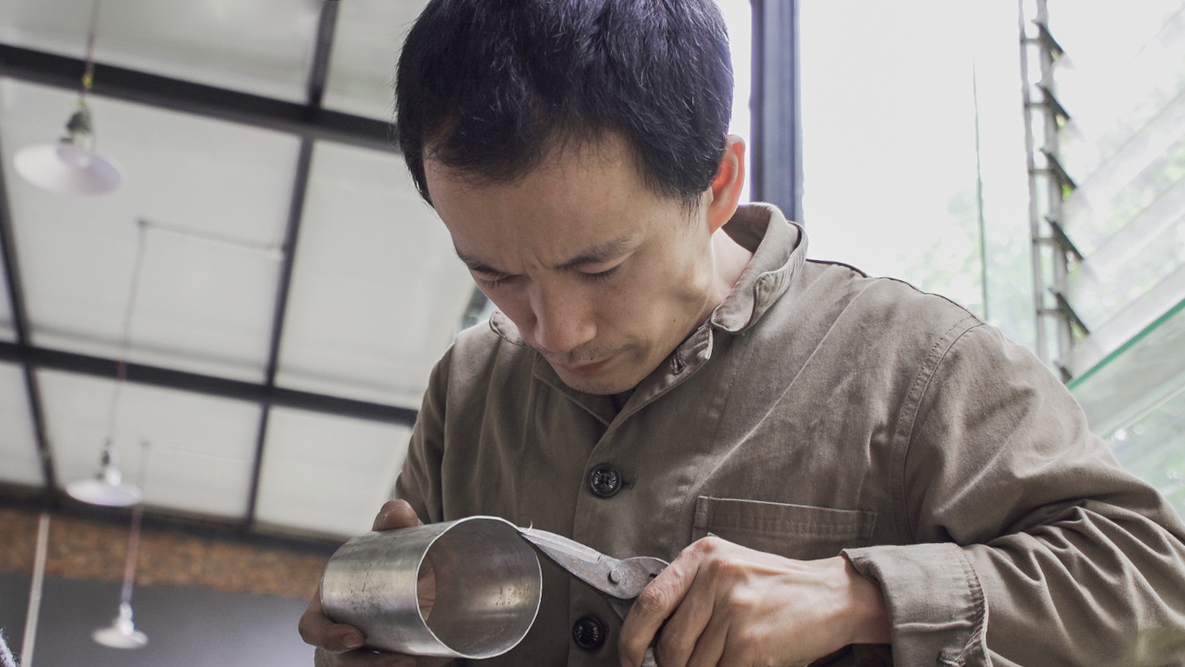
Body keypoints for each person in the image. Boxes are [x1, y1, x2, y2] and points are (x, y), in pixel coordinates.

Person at [299, 0, 1185, 664]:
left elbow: (1156, 583)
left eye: (601, 267)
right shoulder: (469, 389)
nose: (556, 330)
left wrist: (855, 595)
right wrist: (378, 639)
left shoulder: (915, 366)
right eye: (495, 274)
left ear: (717, 183)